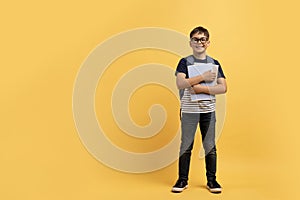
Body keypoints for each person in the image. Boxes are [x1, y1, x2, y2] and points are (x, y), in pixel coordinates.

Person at [172, 26, 227, 194]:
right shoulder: (184, 62)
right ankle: (182, 180)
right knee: (186, 146)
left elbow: (223, 87)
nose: (199, 42)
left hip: (208, 112)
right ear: (190, 42)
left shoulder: (214, 63)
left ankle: (212, 181)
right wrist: (203, 77)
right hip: (189, 112)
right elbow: (180, 83)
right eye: (195, 39)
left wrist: (200, 88)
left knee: (210, 146)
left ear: (208, 43)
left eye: (202, 39)